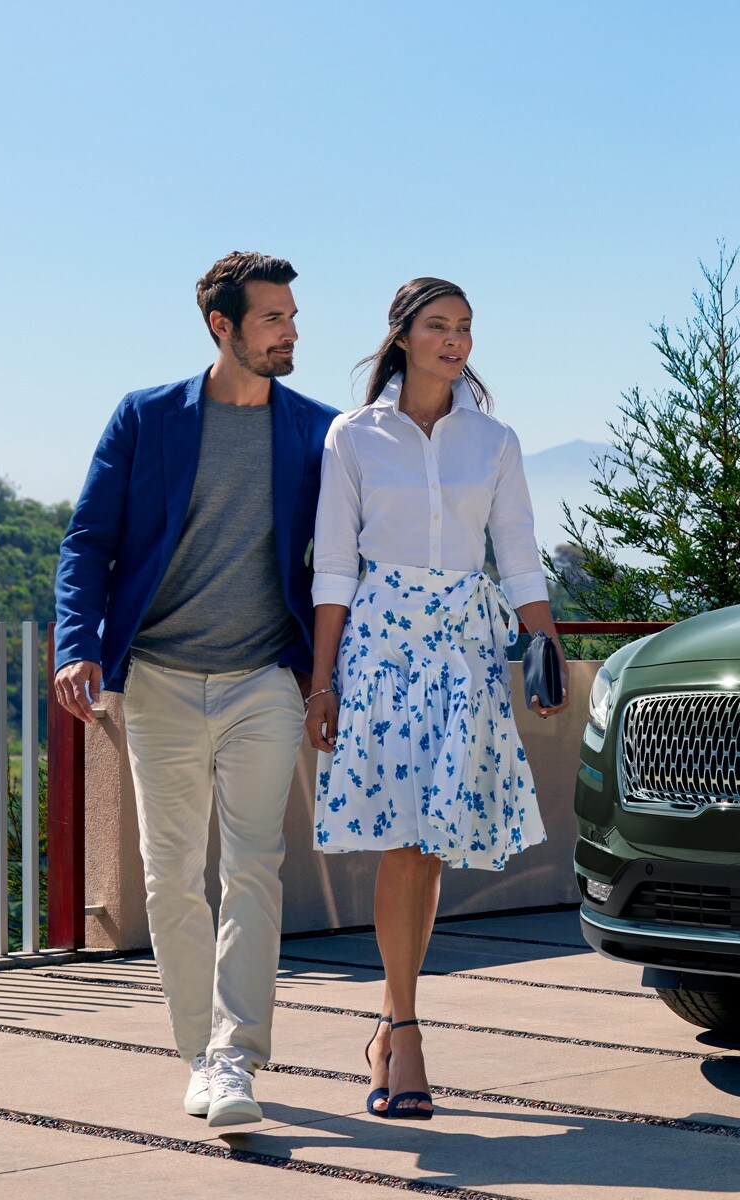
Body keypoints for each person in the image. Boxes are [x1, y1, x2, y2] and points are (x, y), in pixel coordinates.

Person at [53, 252, 339, 1127]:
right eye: (273, 318)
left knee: (254, 867)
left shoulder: (316, 430)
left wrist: (328, 679)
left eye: (292, 316)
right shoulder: (147, 419)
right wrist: (78, 646)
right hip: (160, 682)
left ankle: (236, 1058)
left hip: (264, 681)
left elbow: (343, 560)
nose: (291, 332)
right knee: (171, 876)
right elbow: (88, 542)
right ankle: (200, 1055)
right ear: (224, 327)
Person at [307, 276, 567, 1120]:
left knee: (431, 844)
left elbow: (518, 552)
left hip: (464, 648)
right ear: (403, 336)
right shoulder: (353, 435)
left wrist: (546, 646)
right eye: (438, 326)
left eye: (465, 328)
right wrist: (323, 681)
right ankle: (408, 1031)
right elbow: (334, 567)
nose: (455, 341)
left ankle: (391, 1024)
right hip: (380, 648)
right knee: (401, 841)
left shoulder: (494, 440)